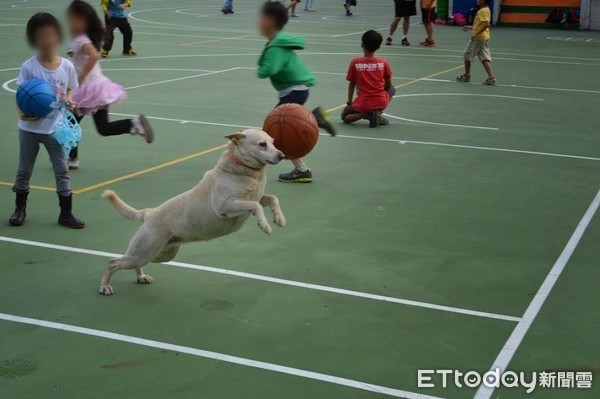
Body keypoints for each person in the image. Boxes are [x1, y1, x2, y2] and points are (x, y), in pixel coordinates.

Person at [10, 13, 85, 228]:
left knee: (62, 170)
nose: (46, 40)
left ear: (57, 37)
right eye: (41, 36)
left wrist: (69, 99)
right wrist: (21, 114)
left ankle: (66, 214)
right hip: (29, 128)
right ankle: (19, 208)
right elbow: (21, 93)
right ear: (34, 39)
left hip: (56, 128)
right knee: (24, 170)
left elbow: (71, 88)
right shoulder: (29, 67)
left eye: (50, 35)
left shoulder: (67, 67)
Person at [65, 0, 153, 170]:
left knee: (70, 124)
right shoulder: (85, 38)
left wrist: (81, 77)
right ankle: (133, 124)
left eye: (73, 19)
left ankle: (72, 158)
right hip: (98, 88)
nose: (70, 22)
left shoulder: (80, 40)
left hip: (86, 91)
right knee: (103, 128)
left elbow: (93, 56)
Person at [257, 1, 336, 183]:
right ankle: (316, 118)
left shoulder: (276, 45)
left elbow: (270, 68)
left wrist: (262, 68)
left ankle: (302, 169)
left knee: (279, 132)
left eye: (262, 18)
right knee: (279, 130)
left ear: (270, 21)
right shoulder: (279, 41)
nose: (259, 22)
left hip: (292, 90)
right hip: (297, 89)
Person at [342, 30, 395, 128]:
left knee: (345, 116)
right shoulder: (384, 63)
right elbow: (388, 85)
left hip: (363, 102)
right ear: (378, 47)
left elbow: (352, 84)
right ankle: (376, 113)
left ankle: (366, 114)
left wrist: (349, 102)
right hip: (381, 101)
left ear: (362, 44)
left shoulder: (355, 62)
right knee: (392, 89)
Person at [456, 0, 496, 85]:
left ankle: (467, 76)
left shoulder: (482, 11)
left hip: (478, 38)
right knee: (484, 57)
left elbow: (486, 24)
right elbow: (480, 24)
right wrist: (471, 27)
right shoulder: (486, 9)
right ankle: (491, 78)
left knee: (467, 55)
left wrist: (475, 34)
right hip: (484, 37)